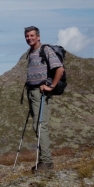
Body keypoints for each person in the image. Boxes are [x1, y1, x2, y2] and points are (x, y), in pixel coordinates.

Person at [24, 26, 65, 173]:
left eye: (32, 35)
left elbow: (60, 69)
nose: (29, 38)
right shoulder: (31, 52)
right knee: (37, 126)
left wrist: (51, 86)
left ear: (38, 36)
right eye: (27, 36)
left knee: (40, 126)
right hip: (32, 93)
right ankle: (44, 161)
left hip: (41, 93)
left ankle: (46, 163)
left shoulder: (45, 50)